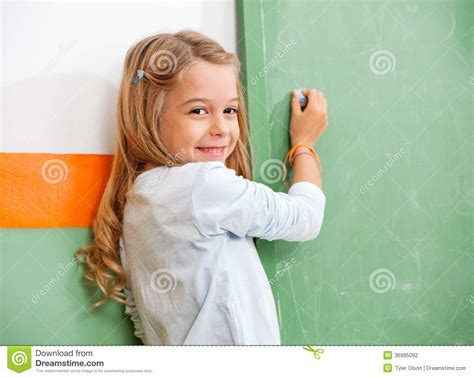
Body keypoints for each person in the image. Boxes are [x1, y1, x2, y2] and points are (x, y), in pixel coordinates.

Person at [76, 30, 328, 345]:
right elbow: (304, 217)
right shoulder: (203, 184)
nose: (221, 128)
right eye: (198, 111)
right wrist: (304, 145)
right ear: (150, 116)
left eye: (230, 110)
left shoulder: (136, 202)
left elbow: (146, 324)